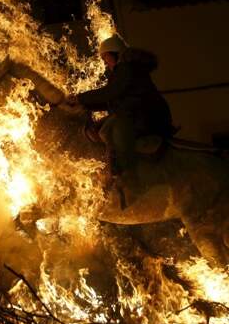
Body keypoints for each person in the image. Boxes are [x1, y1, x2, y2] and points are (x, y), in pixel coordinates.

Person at [66, 34, 174, 206]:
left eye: (106, 56)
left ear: (116, 53)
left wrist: (80, 98)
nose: (105, 61)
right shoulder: (122, 72)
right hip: (136, 113)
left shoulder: (127, 69)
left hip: (146, 115)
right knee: (102, 127)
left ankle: (130, 181)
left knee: (113, 129)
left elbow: (111, 93)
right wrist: (85, 105)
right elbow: (111, 100)